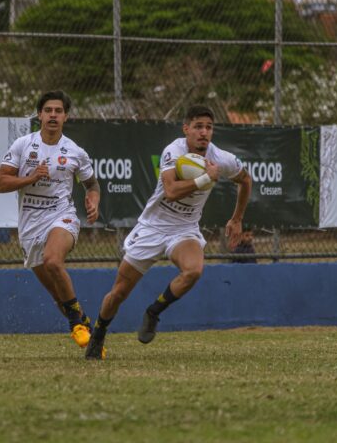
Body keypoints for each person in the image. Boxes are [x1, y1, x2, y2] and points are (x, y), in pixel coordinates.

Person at [85, 105, 252, 360]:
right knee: (119, 292)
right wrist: (205, 179)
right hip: (152, 227)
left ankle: (153, 312)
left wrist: (237, 218)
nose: (203, 132)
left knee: (194, 270)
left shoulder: (221, 158)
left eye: (208, 127)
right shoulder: (174, 151)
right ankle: (98, 333)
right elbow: (171, 190)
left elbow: (246, 180)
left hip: (184, 229)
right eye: (198, 127)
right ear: (186, 129)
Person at [0, 91, 100, 349]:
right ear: (39, 115)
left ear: (66, 116)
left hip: (61, 215)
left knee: (53, 260)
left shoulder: (75, 151)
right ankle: (87, 329)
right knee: (57, 294)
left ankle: (75, 321)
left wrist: (93, 200)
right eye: (48, 110)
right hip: (30, 223)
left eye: (58, 111)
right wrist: (29, 179)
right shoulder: (22, 145)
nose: (53, 115)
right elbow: (0, 183)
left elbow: (92, 183)